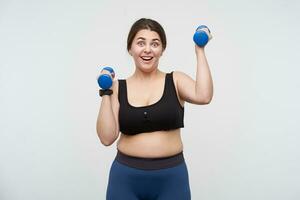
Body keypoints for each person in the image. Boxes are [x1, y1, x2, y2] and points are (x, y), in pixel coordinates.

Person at [96, 18, 213, 200]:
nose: (148, 49)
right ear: (130, 49)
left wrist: (200, 50)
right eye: (141, 43)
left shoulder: (175, 80)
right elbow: (106, 137)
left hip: (171, 179)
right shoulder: (117, 87)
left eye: (155, 44)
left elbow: (204, 96)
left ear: (162, 50)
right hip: (125, 179)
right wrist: (106, 92)